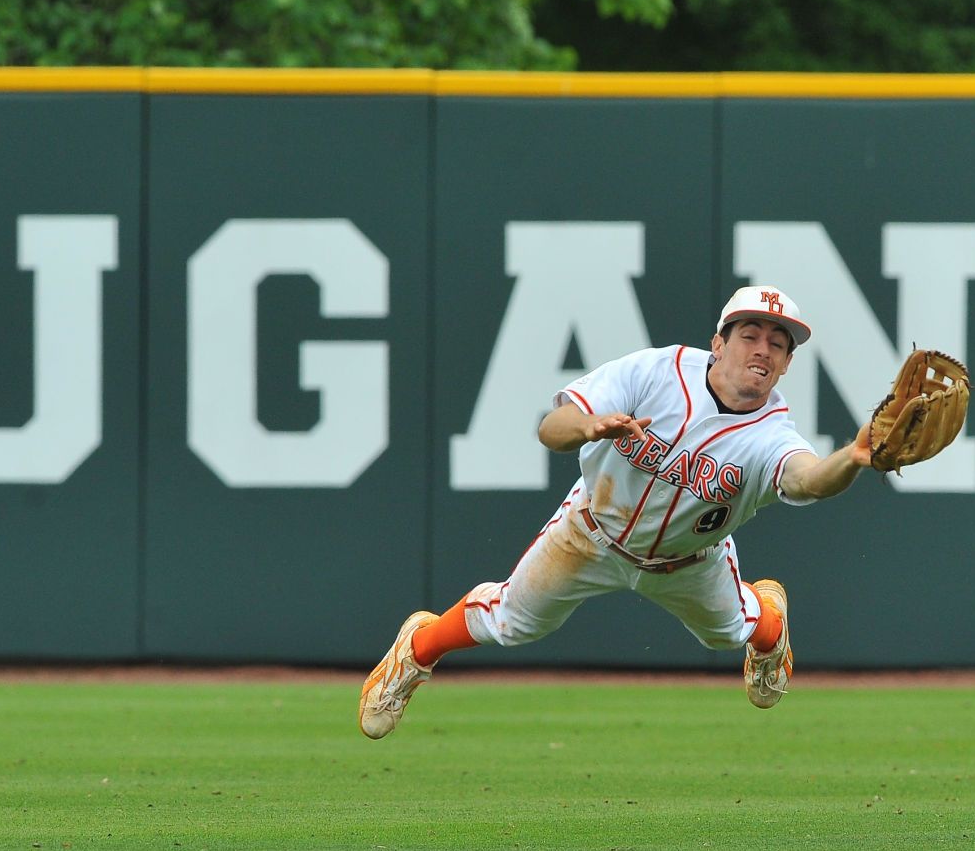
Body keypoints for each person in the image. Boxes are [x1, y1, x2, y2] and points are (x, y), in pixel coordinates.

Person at [359, 284, 874, 739]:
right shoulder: (656, 372)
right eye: (751, 334)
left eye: (778, 343)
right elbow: (551, 428)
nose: (763, 349)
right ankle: (416, 652)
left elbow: (808, 480)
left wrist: (852, 458)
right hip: (591, 534)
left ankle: (772, 626)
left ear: (786, 364)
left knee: (730, 632)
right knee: (514, 621)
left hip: (689, 563)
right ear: (718, 343)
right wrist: (588, 426)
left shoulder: (772, 433)